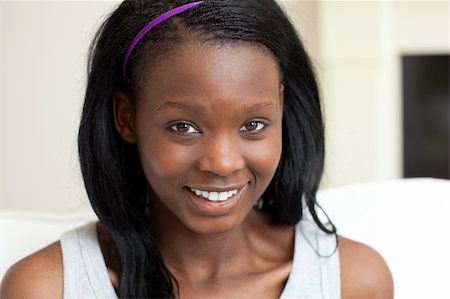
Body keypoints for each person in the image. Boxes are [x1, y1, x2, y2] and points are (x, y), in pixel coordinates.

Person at [1, 1, 393, 298]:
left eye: (253, 125)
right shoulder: (48, 288)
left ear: (282, 108)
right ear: (126, 118)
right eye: (184, 127)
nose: (222, 163)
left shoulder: (351, 280)